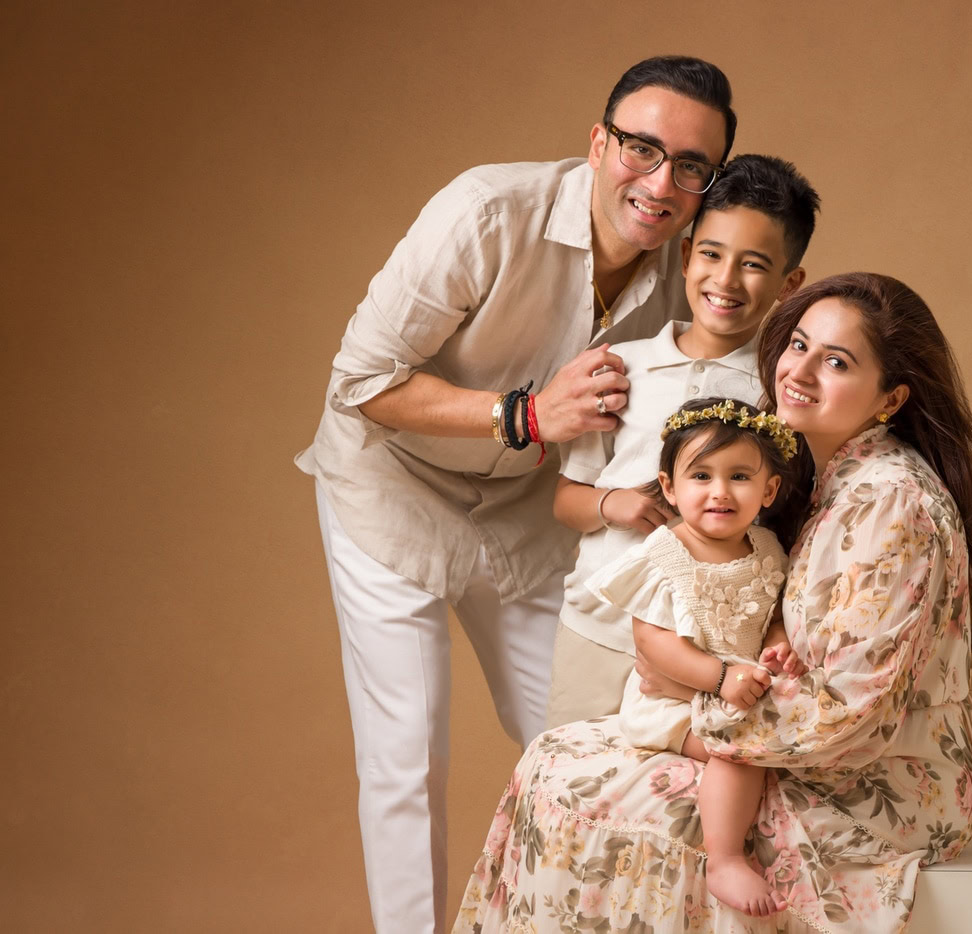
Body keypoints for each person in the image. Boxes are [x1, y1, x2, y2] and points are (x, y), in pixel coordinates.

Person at [295, 56, 735, 933]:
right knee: (407, 756)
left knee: (593, 735)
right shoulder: (485, 212)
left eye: (692, 167)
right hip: (391, 489)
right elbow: (361, 382)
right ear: (598, 143)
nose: (661, 184)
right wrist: (526, 414)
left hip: (528, 513)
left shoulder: (689, 269)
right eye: (642, 150)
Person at [452, 273, 972, 934]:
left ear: (890, 397)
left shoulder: (889, 502)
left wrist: (697, 701)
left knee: (573, 786)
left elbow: (851, 710)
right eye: (799, 345)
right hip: (798, 745)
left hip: (869, 786)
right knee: (555, 756)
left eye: (837, 362)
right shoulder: (836, 478)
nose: (799, 372)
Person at [545, 154, 819, 728]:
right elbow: (566, 501)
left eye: (753, 265)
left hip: (711, 649)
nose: (726, 279)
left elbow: (780, 528)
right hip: (598, 627)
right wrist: (611, 504)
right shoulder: (619, 369)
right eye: (712, 254)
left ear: (788, 285)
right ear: (687, 255)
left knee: (690, 776)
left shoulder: (777, 395)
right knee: (574, 768)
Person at [588, 398, 807, 916]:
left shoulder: (767, 547)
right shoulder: (664, 554)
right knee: (740, 750)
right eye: (702, 476)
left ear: (769, 490)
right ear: (669, 487)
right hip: (674, 702)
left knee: (776, 736)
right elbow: (653, 642)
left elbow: (772, 612)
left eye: (739, 477)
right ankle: (724, 858)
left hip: (740, 689)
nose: (720, 491)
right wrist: (720, 676)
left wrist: (778, 643)